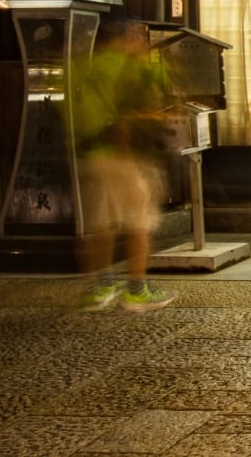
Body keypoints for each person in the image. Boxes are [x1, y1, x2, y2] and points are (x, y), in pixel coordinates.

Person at [72, 24, 177, 312]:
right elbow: (148, 104)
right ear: (127, 37)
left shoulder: (80, 67)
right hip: (126, 156)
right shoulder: (133, 66)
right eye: (136, 37)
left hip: (89, 155)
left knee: (99, 225)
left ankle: (100, 288)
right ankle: (136, 291)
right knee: (139, 223)